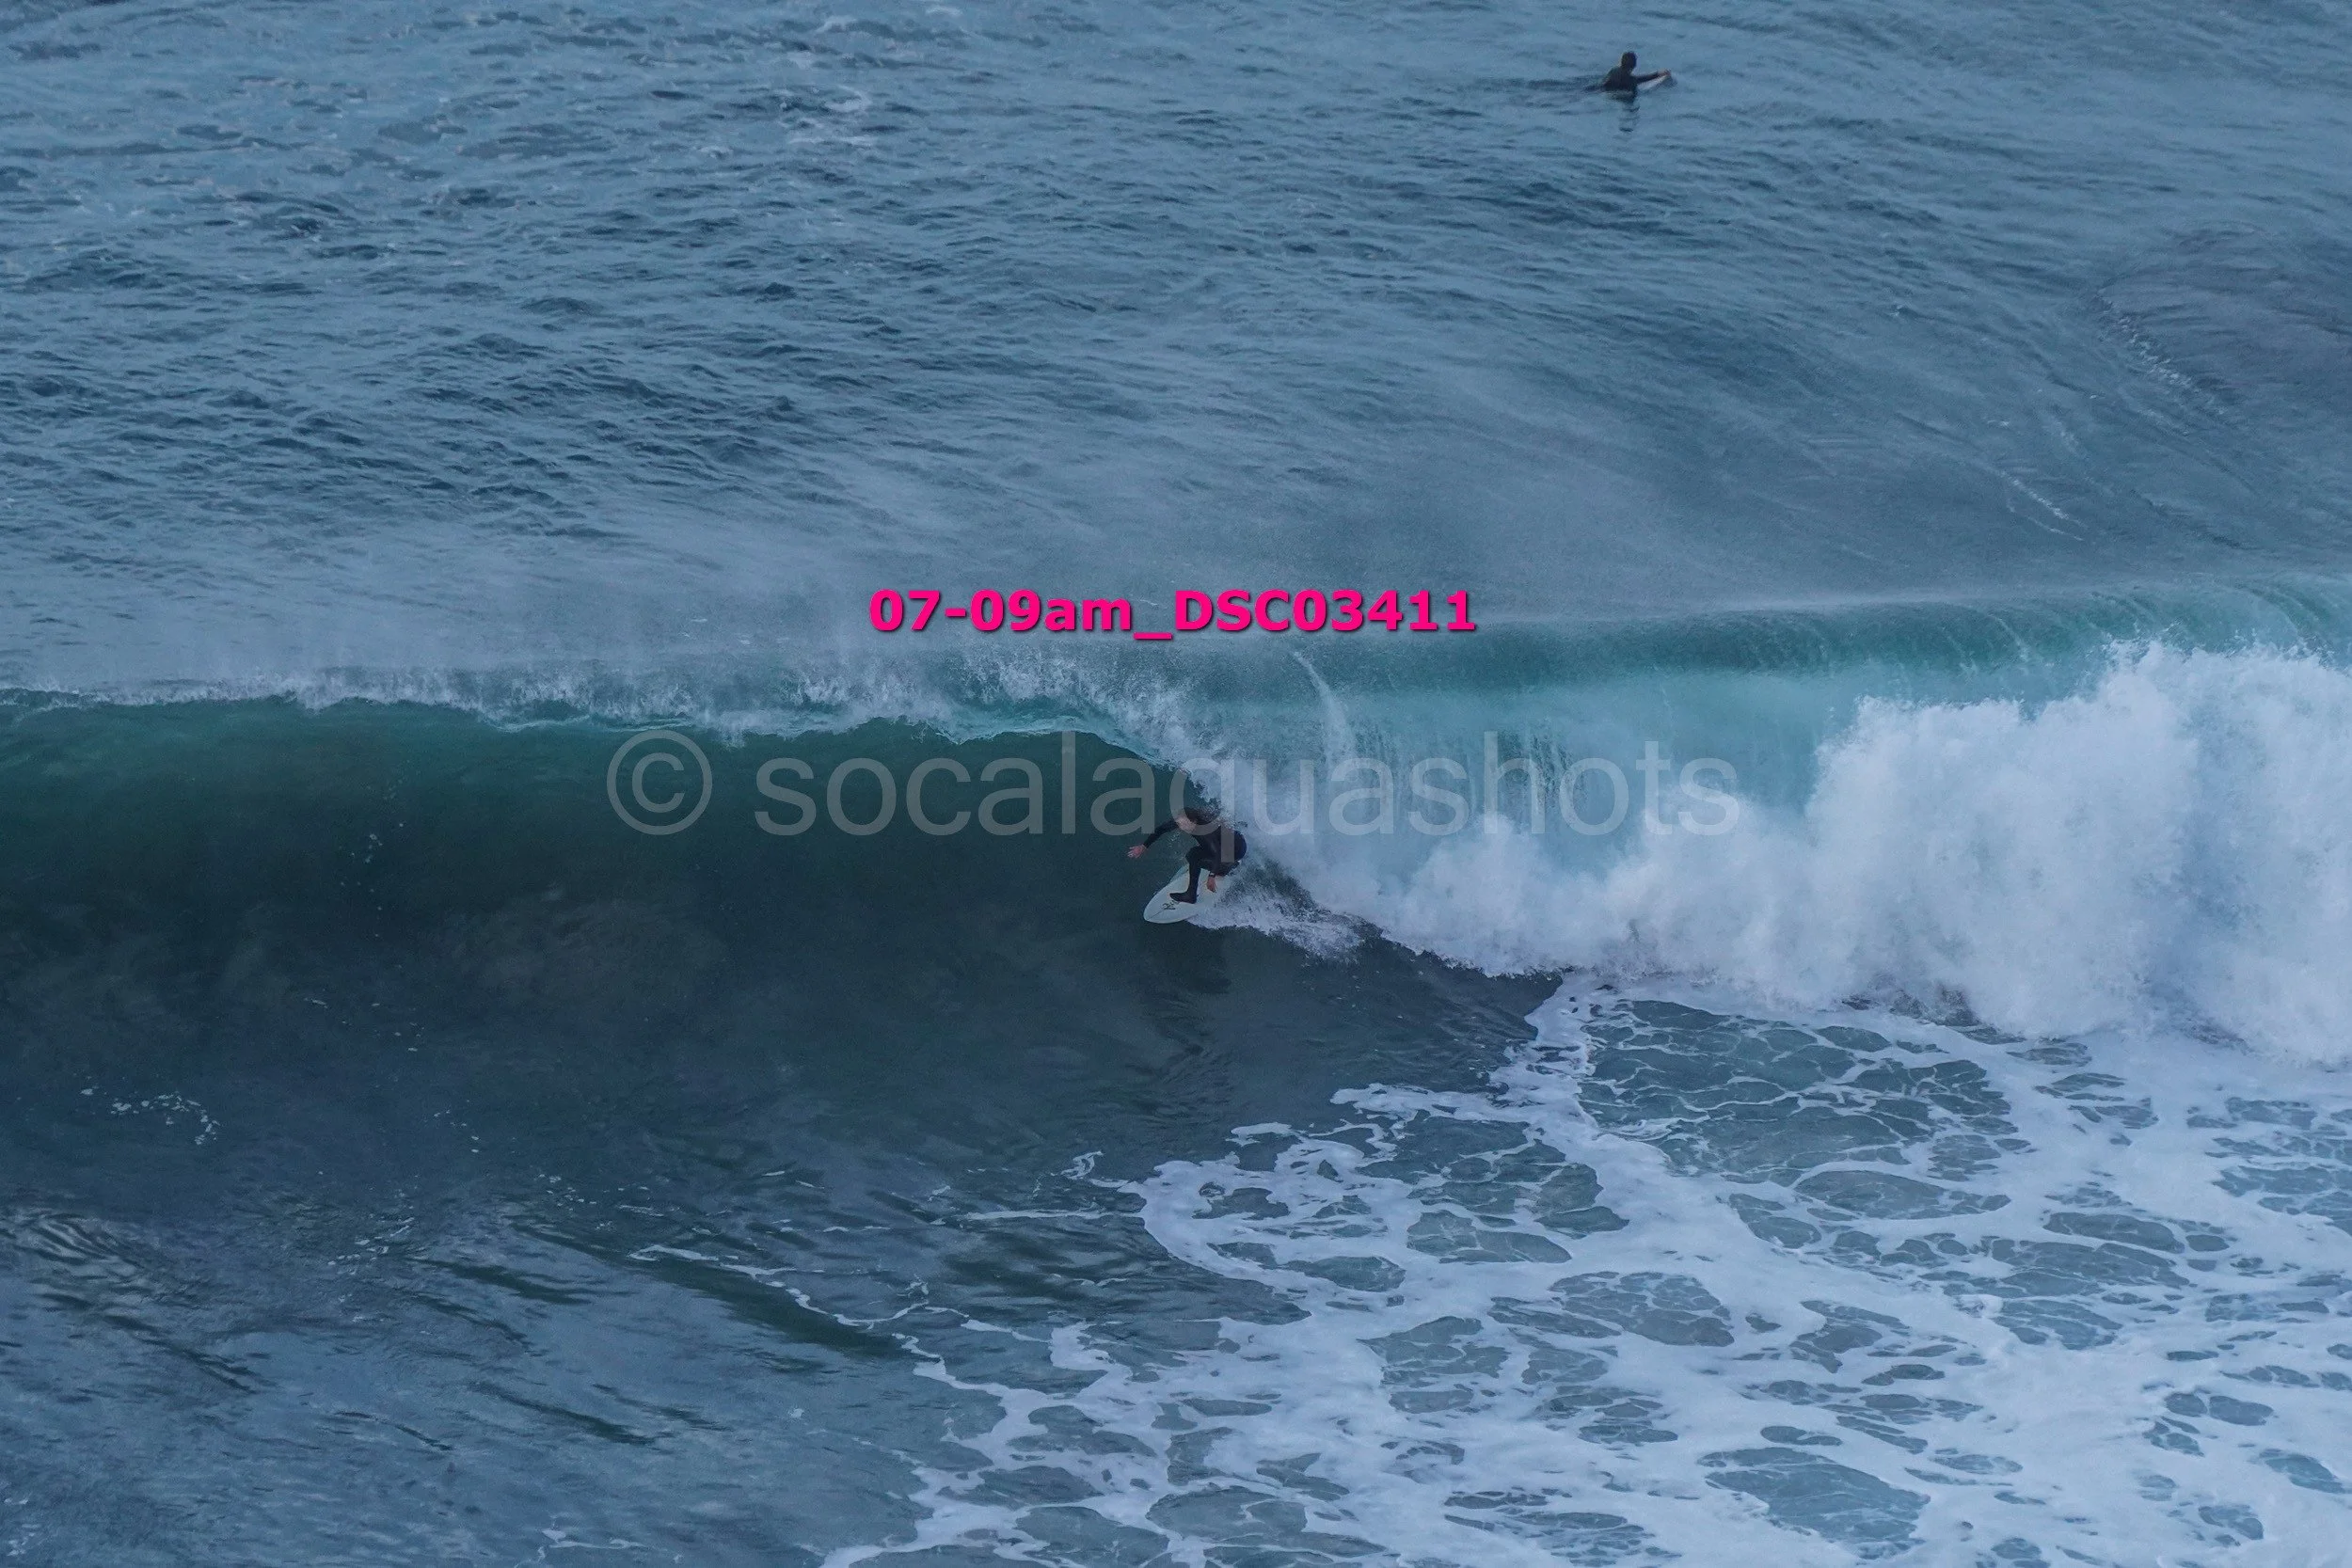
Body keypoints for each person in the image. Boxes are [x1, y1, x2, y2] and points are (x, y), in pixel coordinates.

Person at [1127, 806, 1248, 904]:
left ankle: (1192, 894)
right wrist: (1144, 846)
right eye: (1179, 824)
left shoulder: (1204, 832)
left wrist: (1212, 875)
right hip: (1233, 841)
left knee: (1193, 855)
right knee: (1199, 852)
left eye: (1184, 824)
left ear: (1194, 822)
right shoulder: (1185, 820)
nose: (1181, 828)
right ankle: (1227, 866)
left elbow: (1217, 854)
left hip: (1236, 850)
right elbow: (1161, 829)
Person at [1598, 52, 1669, 93]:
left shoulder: (1614, 70)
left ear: (1621, 62)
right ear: (1634, 65)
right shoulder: (1630, 79)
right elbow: (1643, 79)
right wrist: (1658, 74)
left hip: (1600, 88)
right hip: (1614, 92)